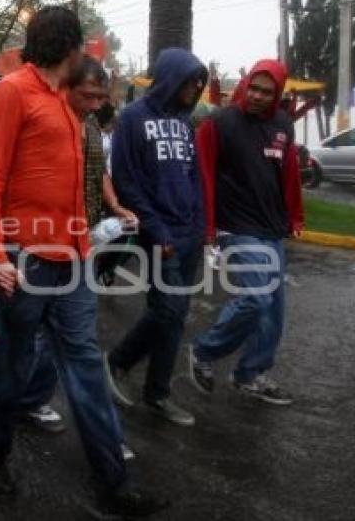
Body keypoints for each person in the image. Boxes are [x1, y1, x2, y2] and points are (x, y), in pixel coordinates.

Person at [0, 6, 167, 518]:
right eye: (84, 45)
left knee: (83, 363)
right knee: (12, 364)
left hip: (73, 258)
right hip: (25, 258)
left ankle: (114, 481)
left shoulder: (68, 102)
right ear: (71, 46)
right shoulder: (14, 91)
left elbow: (76, 184)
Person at [17, 55, 138, 436]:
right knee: (35, 335)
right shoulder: (43, 122)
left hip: (79, 240)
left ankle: (34, 402)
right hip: (39, 242)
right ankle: (10, 409)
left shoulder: (88, 128)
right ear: (66, 88)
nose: (96, 104)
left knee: (72, 339)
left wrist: (116, 205)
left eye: (101, 97)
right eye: (88, 95)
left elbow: (99, 170)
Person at [103, 48, 208, 428]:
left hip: (188, 234)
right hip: (156, 233)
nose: (196, 87)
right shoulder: (132, 118)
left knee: (175, 319)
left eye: (201, 81)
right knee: (168, 310)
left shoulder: (185, 121)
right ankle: (117, 362)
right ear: (170, 77)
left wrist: (201, 227)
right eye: (190, 79)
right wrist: (157, 230)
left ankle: (157, 393)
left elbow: (194, 177)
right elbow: (127, 181)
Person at [189, 59, 304, 405]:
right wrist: (208, 228)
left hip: (271, 228)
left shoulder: (283, 124)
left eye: (266, 92)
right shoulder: (220, 123)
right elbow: (204, 176)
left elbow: (289, 174)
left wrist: (294, 217)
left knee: (274, 309)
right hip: (235, 227)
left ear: (277, 94)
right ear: (246, 84)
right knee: (257, 297)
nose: (256, 96)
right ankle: (203, 352)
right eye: (253, 87)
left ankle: (250, 374)